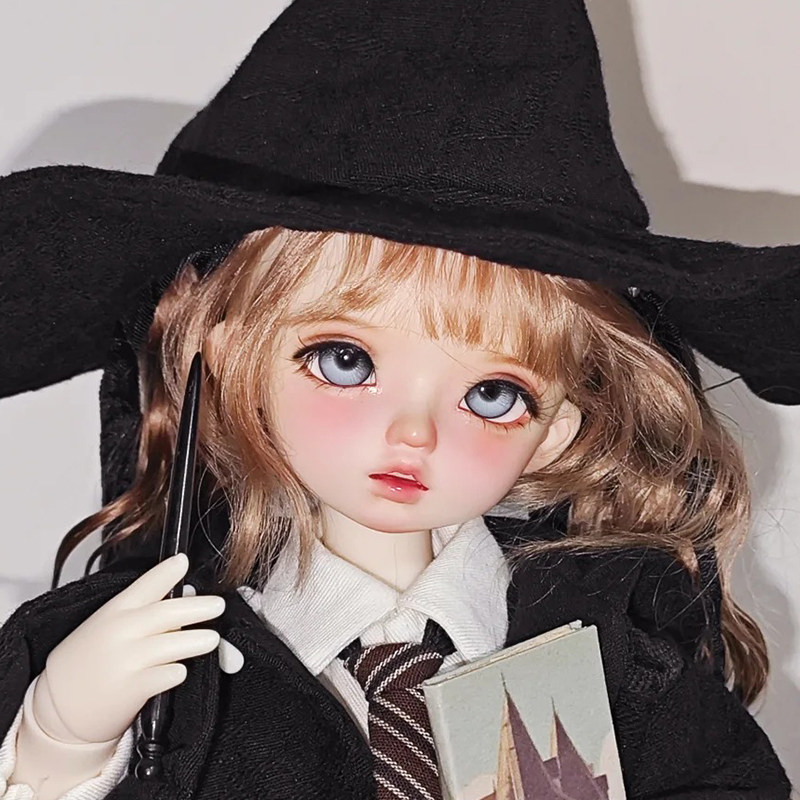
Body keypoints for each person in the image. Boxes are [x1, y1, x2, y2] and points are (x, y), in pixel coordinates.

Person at [0, 0, 796, 798]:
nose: (414, 433)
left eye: (492, 395)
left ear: (556, 433)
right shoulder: (187, 678)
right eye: (345, 361)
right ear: (235, 362)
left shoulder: (613, 653)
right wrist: (61, 742)